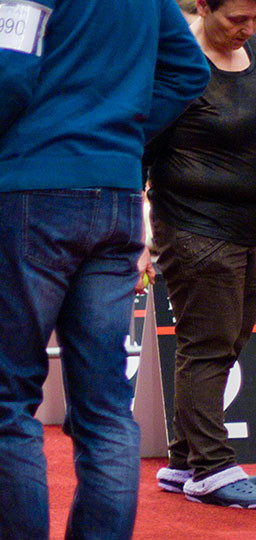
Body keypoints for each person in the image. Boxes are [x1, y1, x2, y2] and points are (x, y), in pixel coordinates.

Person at [0, 0, 209, 540]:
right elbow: (188, 70)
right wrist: (124, 136)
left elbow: (8, 74)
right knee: (105, 410)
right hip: (115, 201)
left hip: (32, 197)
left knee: (4, 402)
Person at [146, 0, 256, 507]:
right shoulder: (175, 63)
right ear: (204, 6)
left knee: (229, 338)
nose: (247, 29)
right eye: (236, 18)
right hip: (193, 225)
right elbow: (140, 146)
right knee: (208, 342)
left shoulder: (251, 50)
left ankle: (186, 458)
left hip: (246, 227)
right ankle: (212, 466)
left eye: (255, 19)